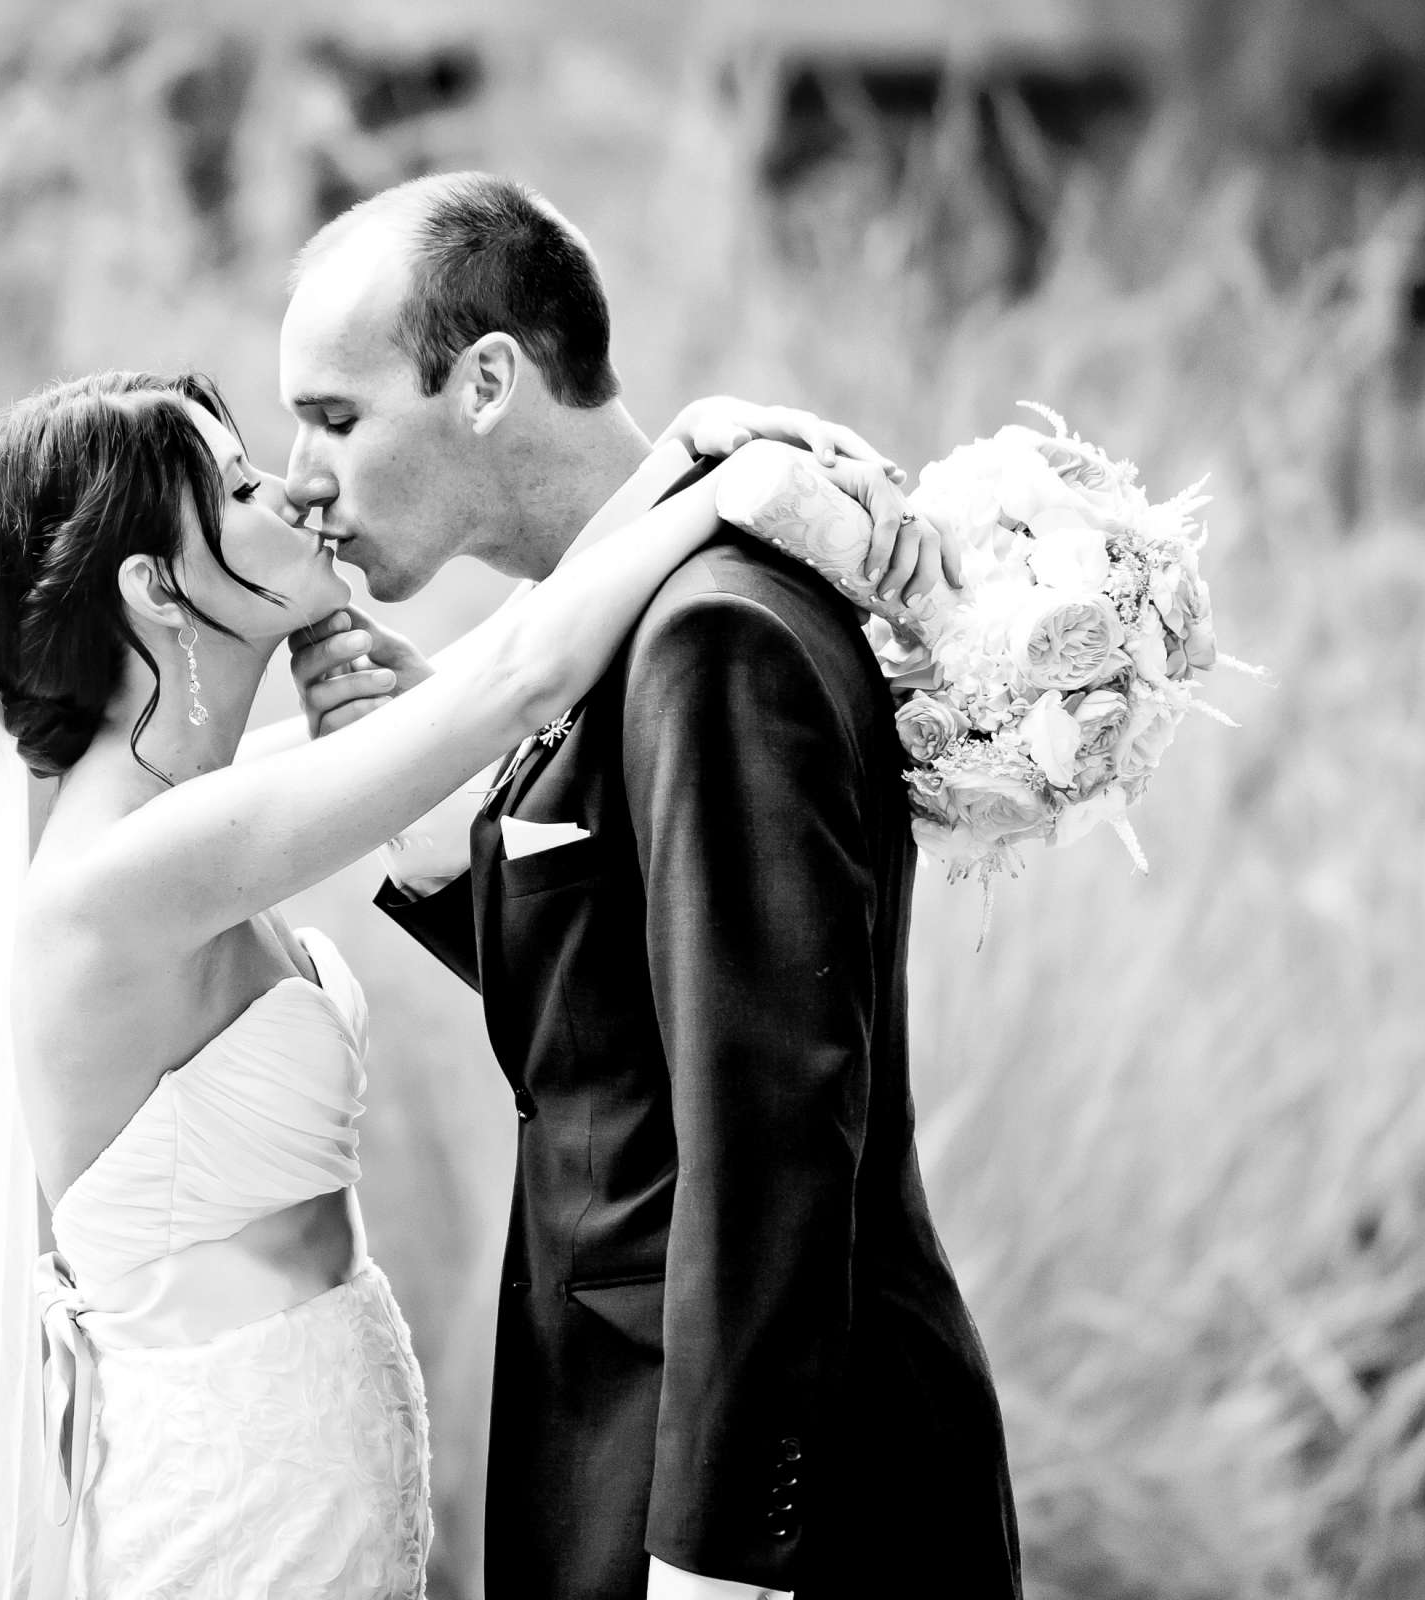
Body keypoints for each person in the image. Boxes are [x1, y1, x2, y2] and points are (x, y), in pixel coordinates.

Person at [0, 368, 934, 1598]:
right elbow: (514, 682)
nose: (292, 492)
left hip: (315, 1465)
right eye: (239, 488)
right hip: (230, 1497)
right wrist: (704, 476)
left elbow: (473, 704)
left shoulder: (195, 814)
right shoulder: (128, 873)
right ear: (153, 586)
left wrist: (641, 501)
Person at [279, 172, 1023, 1600]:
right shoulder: (629, 625)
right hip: (622, 1438)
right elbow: (621, 1021)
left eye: (335, 417)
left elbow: (773, 1138)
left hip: (775, 1512)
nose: (303, 476)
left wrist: (717, 1558)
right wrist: (440, 823)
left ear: (488, 379)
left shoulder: (714, 638)